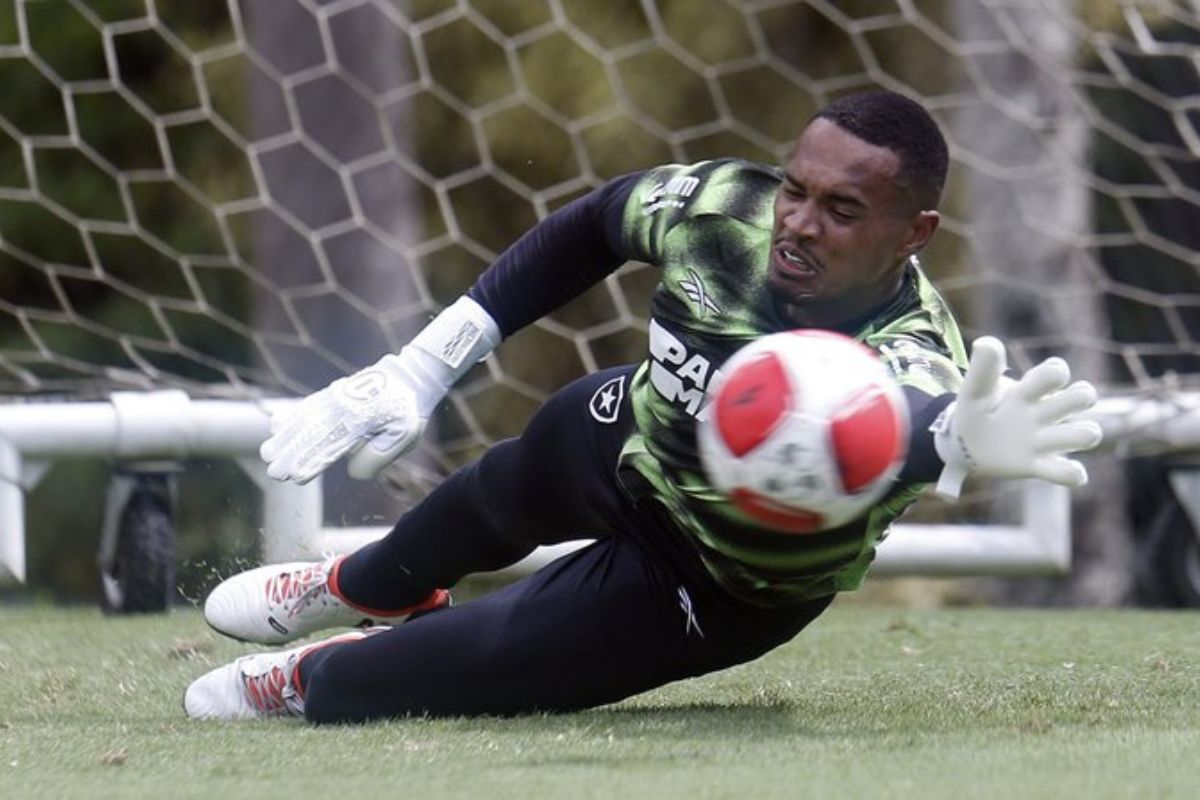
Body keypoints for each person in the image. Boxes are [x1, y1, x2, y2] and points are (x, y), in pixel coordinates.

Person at [184, 90, 1101, 723]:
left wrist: (948, 438)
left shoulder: (907, 348)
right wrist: (425, 366)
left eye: (842, 208)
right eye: (796, 188)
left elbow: (904, 416)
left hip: (717, 577)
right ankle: (363, 585)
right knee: (512, 474)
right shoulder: (723, 208)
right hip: (633, 436)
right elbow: (594, 226)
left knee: (450, 670)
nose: (799, 222)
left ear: (916, 233)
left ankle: (312, 676)